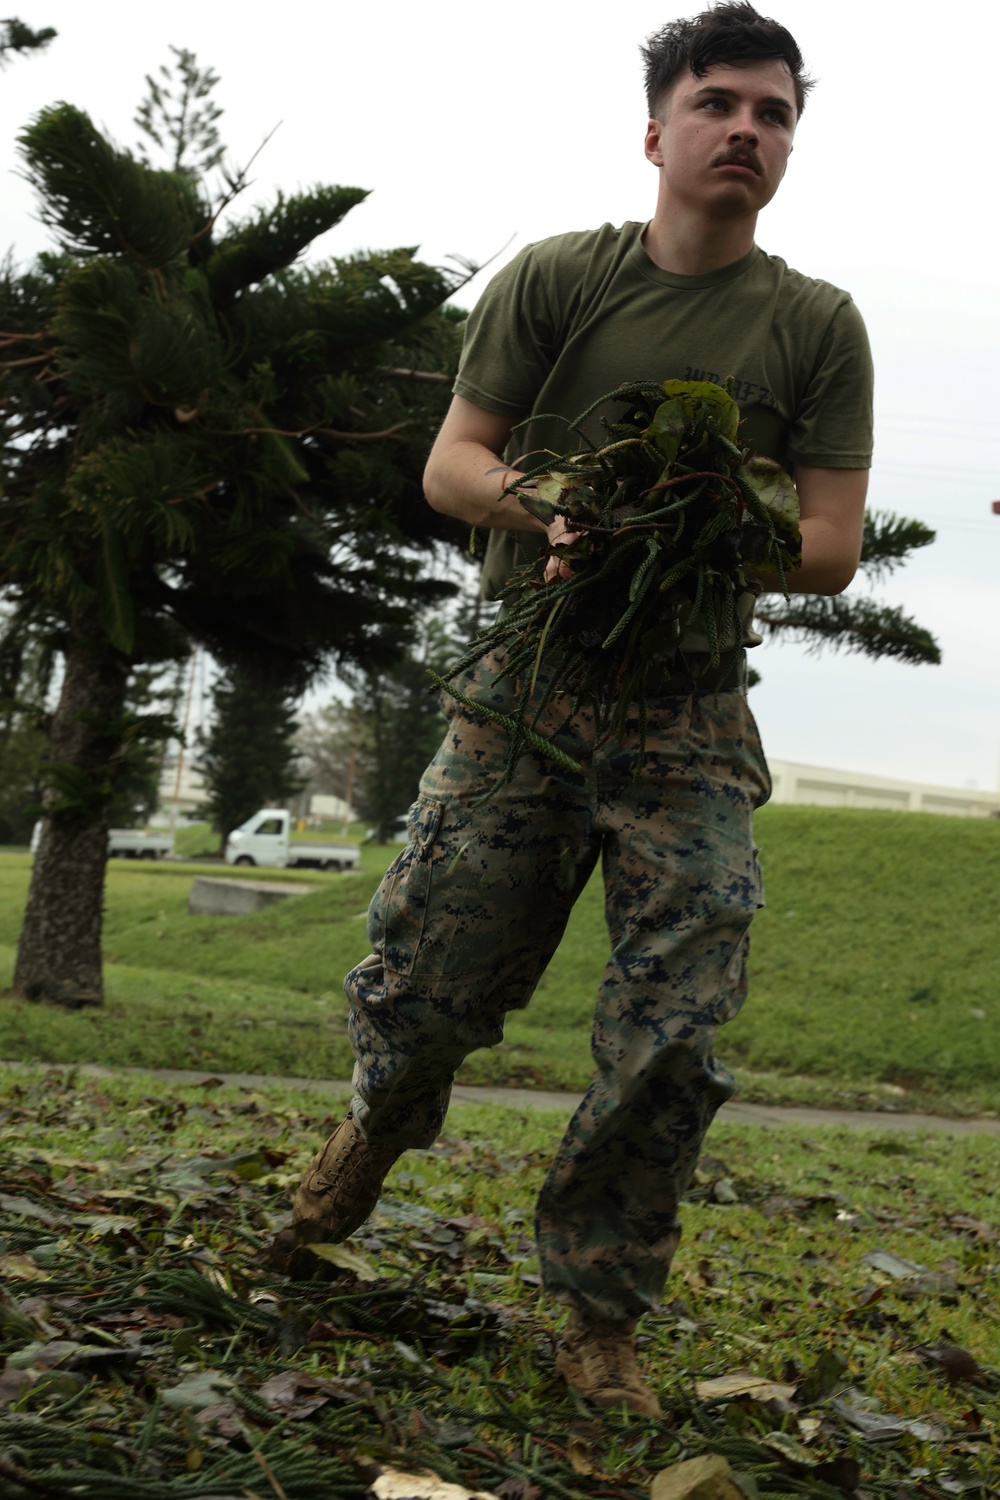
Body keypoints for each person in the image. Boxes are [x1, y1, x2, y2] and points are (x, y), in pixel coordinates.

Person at [271, 2, 873, 1418]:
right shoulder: (556, 279)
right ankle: (374, 1127)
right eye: (720, 102)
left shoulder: (815, 325)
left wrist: (708, 514)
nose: (747, 130)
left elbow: (832, 546)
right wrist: (561, 511)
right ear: (655, 129)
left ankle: (601, 1309)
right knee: (426, 988)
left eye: (775, 113)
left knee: (677, 1028)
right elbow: (454, 464)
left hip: (689, 719)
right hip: (527, 696)